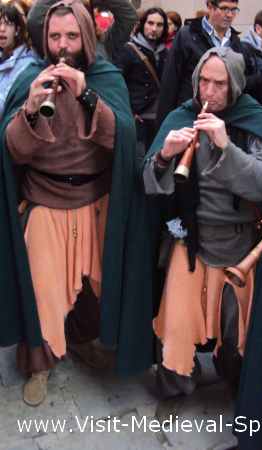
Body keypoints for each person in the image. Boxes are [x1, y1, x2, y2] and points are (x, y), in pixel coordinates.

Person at [0, 0, 155, 407]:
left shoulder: (104, 77)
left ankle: (82, 341)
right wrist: (30, 111)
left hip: (95, 200)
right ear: (44, 38)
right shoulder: (31, 76)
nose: (63, 46)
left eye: (71, 36)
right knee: (43, 290)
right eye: (55, 36)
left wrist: (87, 97)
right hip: (45, 201)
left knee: (93, 285)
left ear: (85, 36)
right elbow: (12, 152)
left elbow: (122, 139)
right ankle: (39, 363)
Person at [143, 48, 262, 413]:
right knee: (176, 326)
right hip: (190, 239)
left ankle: (237, 383)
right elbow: (148, 182)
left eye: (219, 84)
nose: (208, 91)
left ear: (235, 84)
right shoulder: (181, 115)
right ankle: (176, 379)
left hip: (239, 245)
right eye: (203, 81)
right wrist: (163, 156)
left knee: (237, 332)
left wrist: (225, 146)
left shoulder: (253, 120)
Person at [156, 0, 243, 126]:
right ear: (210, 6)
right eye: (224, 9)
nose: (229, 15)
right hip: (189, 119)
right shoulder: (186, 36)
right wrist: (164, 125)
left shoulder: (235, 42)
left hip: (222, 121)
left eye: (234, 10)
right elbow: (170, 83)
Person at [114, 7, 168, 158]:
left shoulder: (166, 52)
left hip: (159, 118)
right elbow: (117, 84)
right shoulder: (129, 50)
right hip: (138, 117)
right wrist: (130, 112)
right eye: (150, 23)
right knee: (137, 163)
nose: (154, 28)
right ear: (142, 24)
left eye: (159, 25)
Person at [26, 0, 138, 61]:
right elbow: (34, 20)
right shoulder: (55, 46)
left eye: (82, 14)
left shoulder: (106, 44)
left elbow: (129, 16)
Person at [0, 0, 36, 119]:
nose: (2, 29)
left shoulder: (26, 63)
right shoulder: (3, 55)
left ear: (17, 30)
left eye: (8, 24)